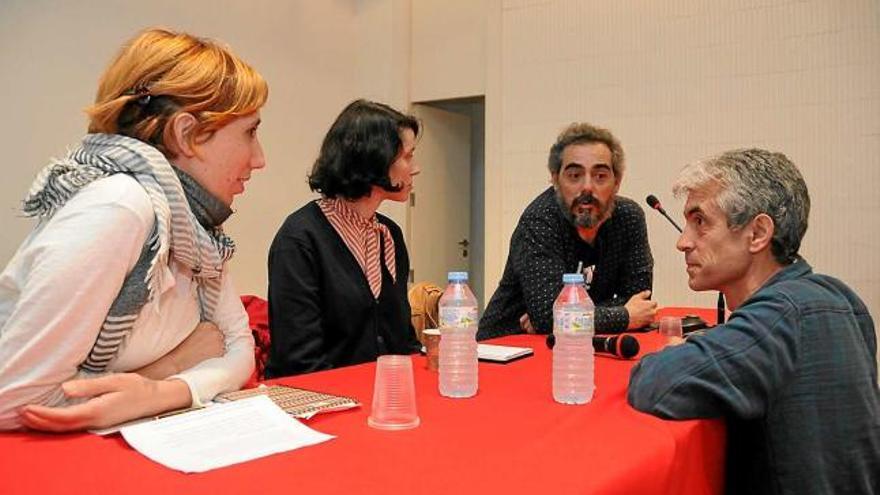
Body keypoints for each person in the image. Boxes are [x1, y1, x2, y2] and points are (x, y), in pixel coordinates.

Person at [0, 28, 268, 431]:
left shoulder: (193, 226)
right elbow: (15, 399)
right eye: (250, 132)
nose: (260, 159)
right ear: (186, 134)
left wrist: (157, 392)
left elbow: (237, 347)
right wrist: (170, 368)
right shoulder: (121, 206)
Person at [628, 149, 880, 494]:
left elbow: (655, 385)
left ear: (758, 233)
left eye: (700, 221)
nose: (682, 242)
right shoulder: (843, 298)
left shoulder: (779, 317)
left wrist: (677, 350)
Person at [266, 99, 421, 377]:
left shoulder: (389, 235)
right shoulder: (300, 239)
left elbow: (402, 341)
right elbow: (298, 361)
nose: (416, 168)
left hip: (384, 401)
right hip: (320, 403)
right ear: (376, 158)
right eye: (408, 156)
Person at [478, 122, 656, 339]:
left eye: (600, 176)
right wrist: (623, 316)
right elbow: (548, 317)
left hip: (578, 347)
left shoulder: (629, 218)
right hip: (507, 348)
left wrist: (567, 319)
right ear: (555, 179)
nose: (587, 187)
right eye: (574, 176)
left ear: (617, 182)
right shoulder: (540, 221)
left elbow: (640, 300)